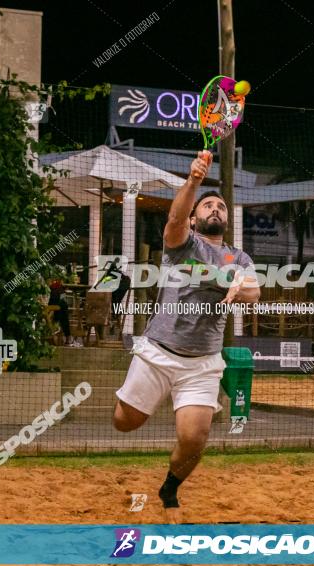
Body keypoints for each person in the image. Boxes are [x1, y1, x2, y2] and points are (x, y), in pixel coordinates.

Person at [111, 151, 260, 519]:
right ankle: (155, 396)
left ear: (226, 219)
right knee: (124, 423)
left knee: (194, 440)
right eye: (207, 206)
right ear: (195, 219)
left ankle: (170, 490)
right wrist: (193, 181)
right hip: (158, 352)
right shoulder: (182, 244)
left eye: (220, 206)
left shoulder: (238, 258)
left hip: (202, 363)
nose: (215, 209)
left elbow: (254, 292)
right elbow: (174, 218)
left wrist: (236, 287)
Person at [48, 280, 80, 347]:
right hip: (48, 302)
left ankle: (67, 336)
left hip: (53, 301)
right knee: (63, 306)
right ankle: (68, 337)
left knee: (62, 305)